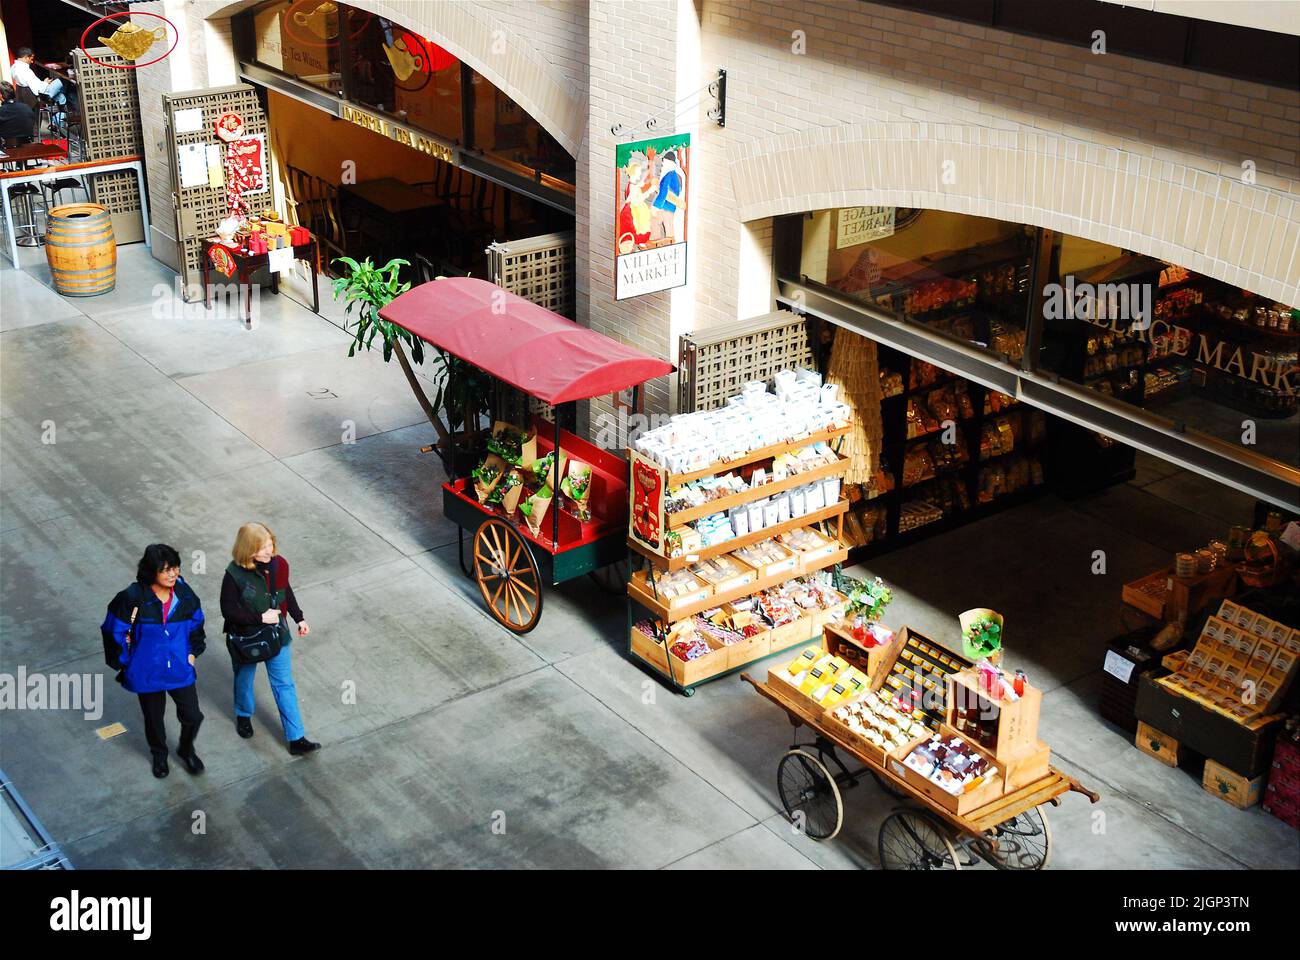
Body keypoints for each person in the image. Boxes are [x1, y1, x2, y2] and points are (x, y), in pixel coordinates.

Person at [101, 545, 207, 779]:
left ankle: (186, 749)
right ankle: (159, 755)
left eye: (175, 568)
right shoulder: (131, 599)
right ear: (151, 572)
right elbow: (113, 631)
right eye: (165, 570)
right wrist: (126, 662)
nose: (172, 574)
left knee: (193, 715)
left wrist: (193, 651)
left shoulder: (185, 595)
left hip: (180, 668)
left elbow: (197, 623)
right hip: (146, 671)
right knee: (153, 718)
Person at [220, 522, 320, 755]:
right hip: (247, 638)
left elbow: (286, 592)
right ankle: (244, 714)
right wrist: (259, 617)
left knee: (284, 684)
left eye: (270, 544)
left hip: (278, 635)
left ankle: (296, 738)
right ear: (247, 550)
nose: (269, 550)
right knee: (244, 678)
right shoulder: (234, 574)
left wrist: (299, 618)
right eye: (262, 547)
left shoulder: (279, 564)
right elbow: (228, 610)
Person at [11, 48, 66, 134]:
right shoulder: (24, 70)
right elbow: (37, 88)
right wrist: (44, 83)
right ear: (26, 57)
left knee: (61, 96)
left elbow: (32, 83)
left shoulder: (14, 67)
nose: (32, 62)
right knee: (62, 81)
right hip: (41, 94)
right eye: (31, 59)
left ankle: (56, 123)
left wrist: (43, 83)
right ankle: (59, 121)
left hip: (31, 93)